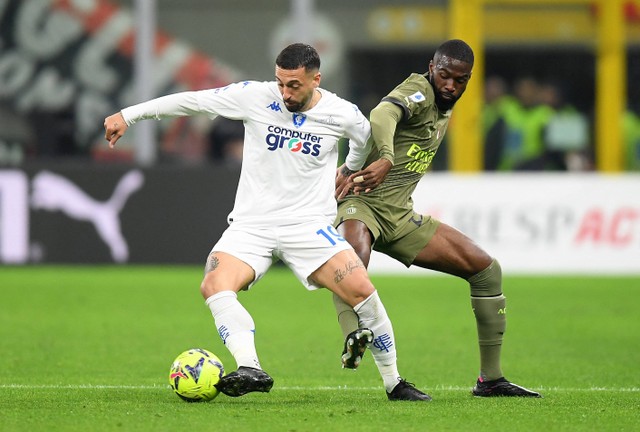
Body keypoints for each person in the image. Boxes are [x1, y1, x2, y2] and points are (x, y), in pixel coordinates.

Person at [103, 43, 429, 401]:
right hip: (251, 225)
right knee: (214, 285)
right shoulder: (255, 96)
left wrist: (350, 170)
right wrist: (128, 115)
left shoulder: (342, 113)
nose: (285, 93)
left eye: (294, 85)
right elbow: (193, 101)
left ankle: (394, 382)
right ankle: (250, 367)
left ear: (316, 79)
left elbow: (363, 142)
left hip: (308, 227)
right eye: (280, 83)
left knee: (363, 292)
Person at [334, 39, 542, 398]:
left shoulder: (446, 105)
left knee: (485, 269)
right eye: (444, 76)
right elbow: (384, 114)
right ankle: (354, 336)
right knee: (352, 258)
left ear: (468, 80)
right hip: (362, 202)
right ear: (431, 67)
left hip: (399, 216)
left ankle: (490, 380)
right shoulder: (419, 90)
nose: (450, 85)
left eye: (459, 80)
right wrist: (384, 156)